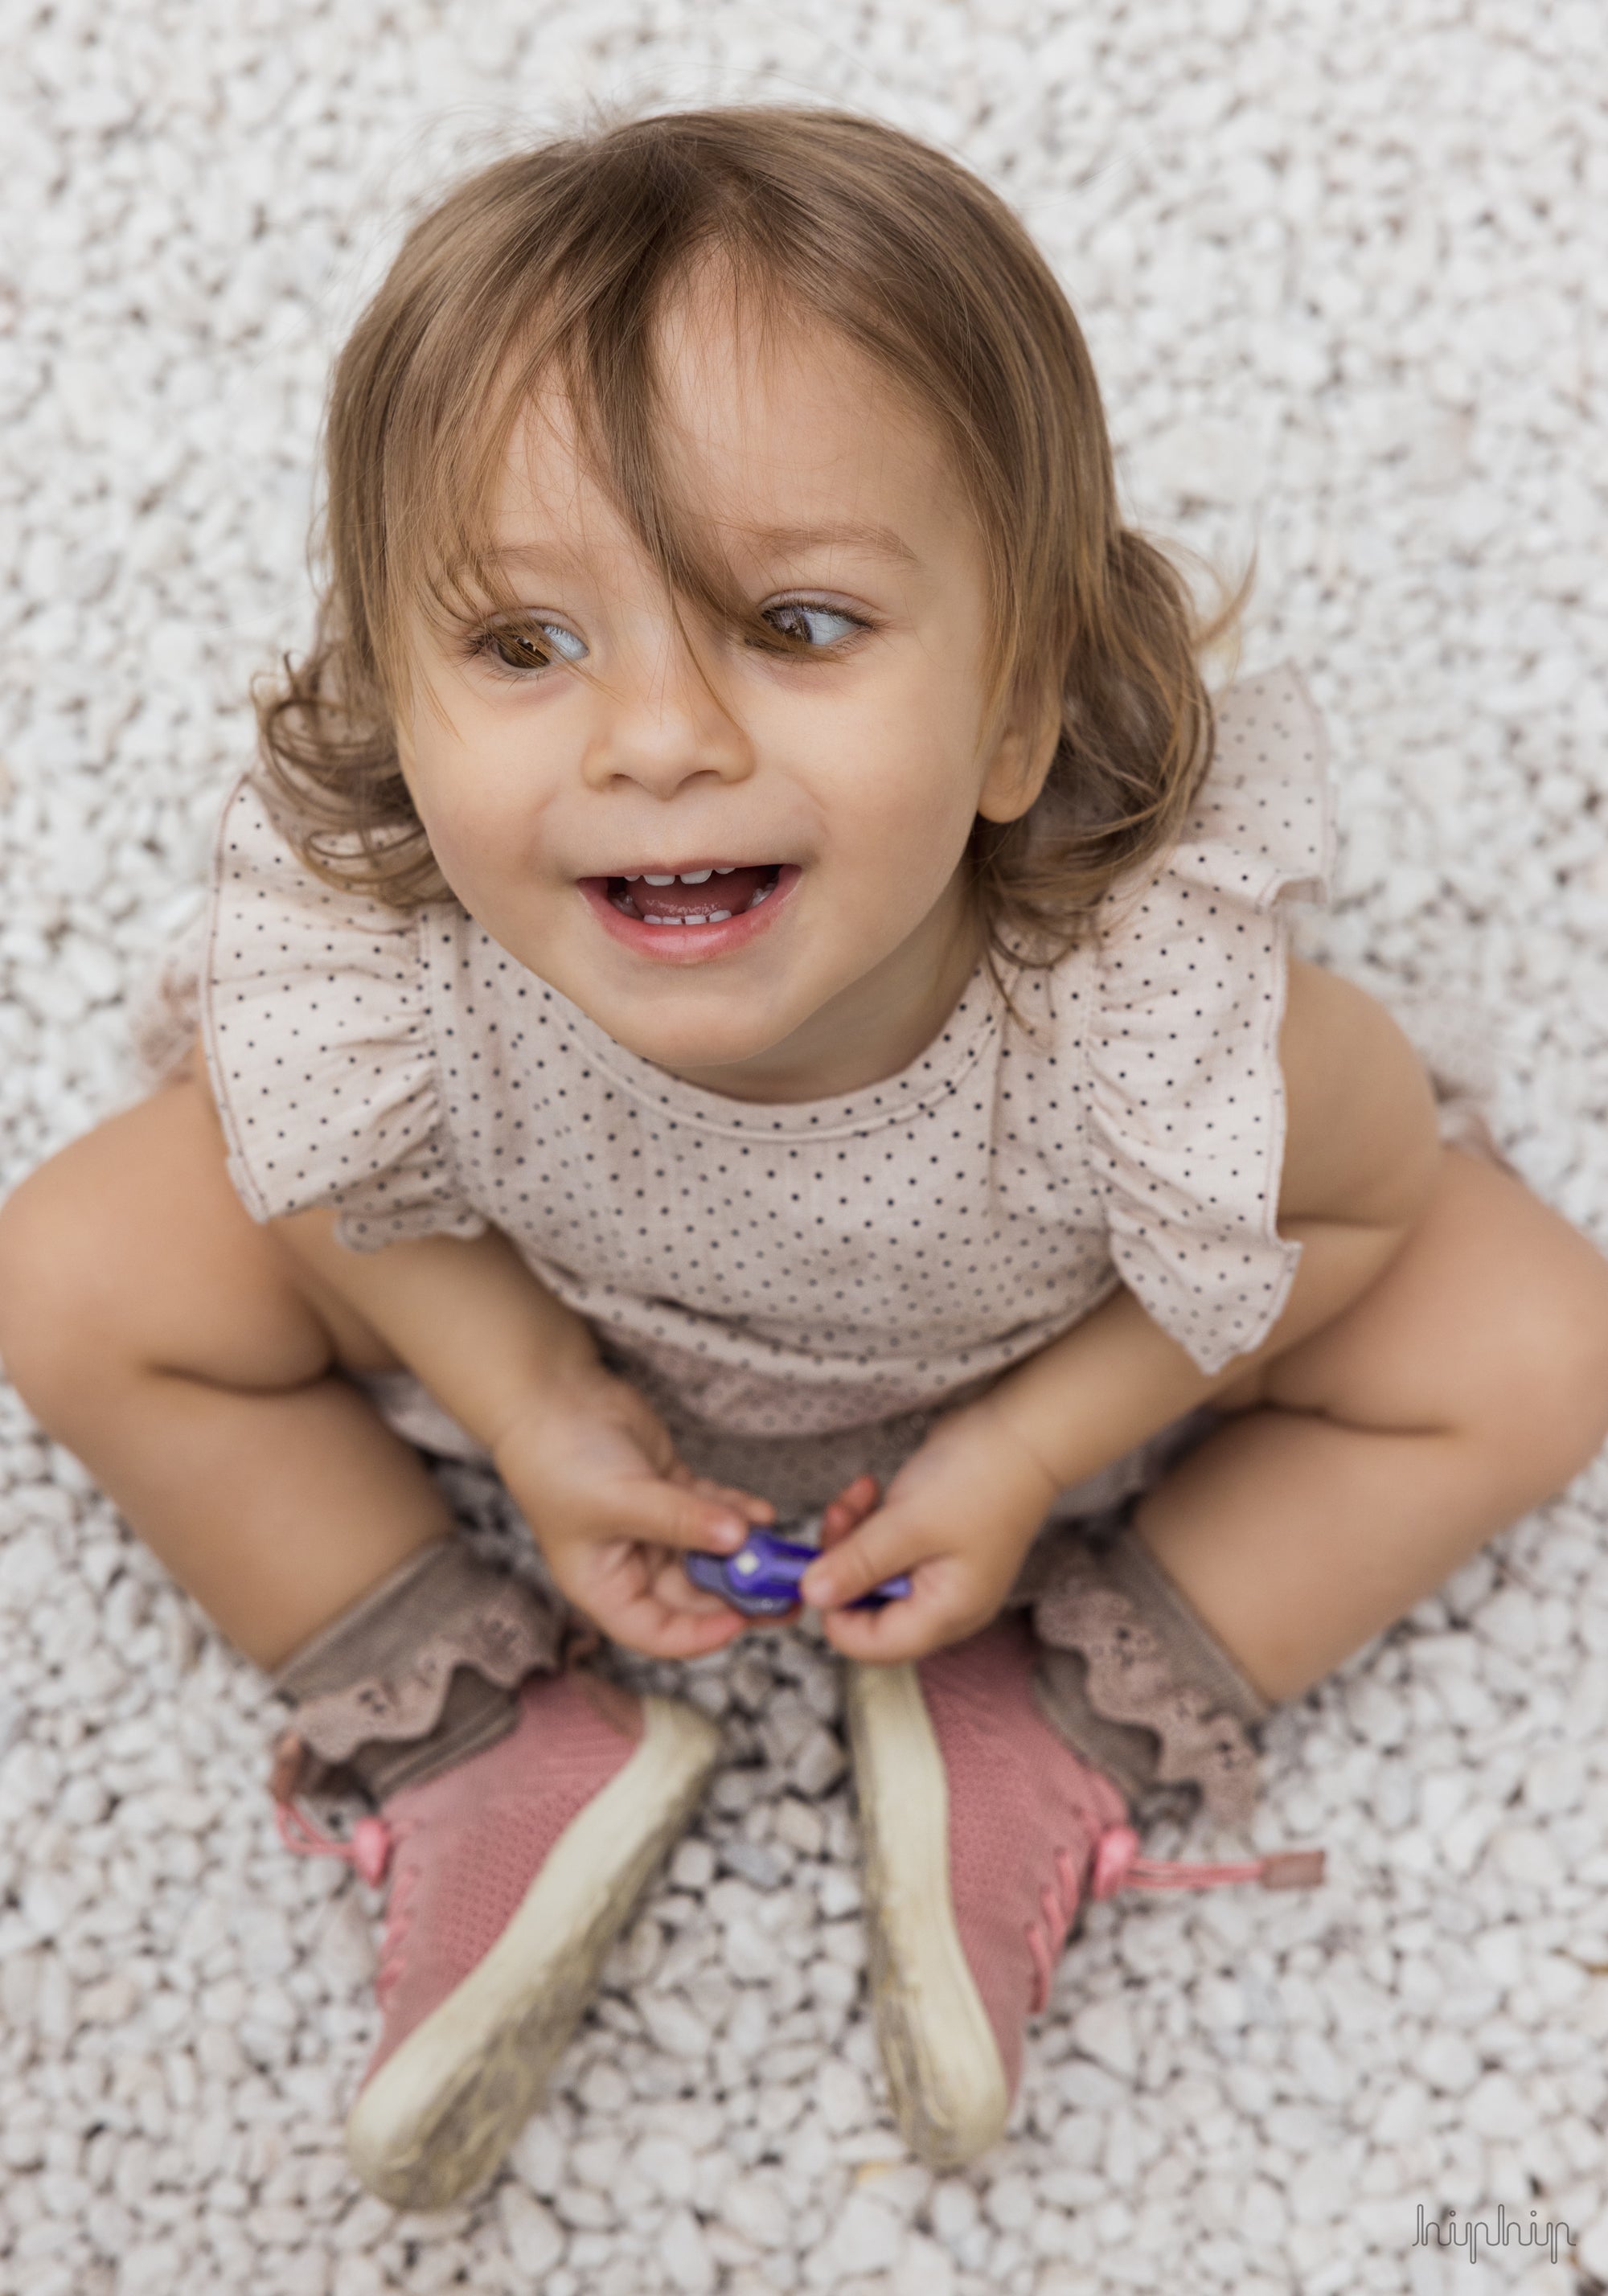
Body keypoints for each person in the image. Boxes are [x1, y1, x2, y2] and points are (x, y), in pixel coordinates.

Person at [2, 106, 1606, 2211]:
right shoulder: (398, 960)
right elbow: (308, 1158)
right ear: (393, 689)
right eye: (522, 646)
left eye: (798, 626)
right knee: (79, 1269)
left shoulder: (1143, 1003)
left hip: (1025, 1338)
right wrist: (522, 1400)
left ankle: (1051, 1715)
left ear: (1021, 707)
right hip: (564, 1306)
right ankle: (480, 1731)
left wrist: (1035, 1450)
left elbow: (1362, 1204)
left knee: (1536, 1340)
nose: (655, 740)